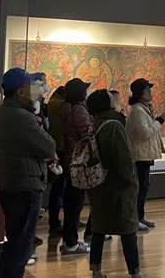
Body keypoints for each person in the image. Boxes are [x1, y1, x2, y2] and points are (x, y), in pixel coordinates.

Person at [0, 68, 57, 278]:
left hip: (12, 183)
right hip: (25, 186)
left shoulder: (5, 112)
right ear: (20, 92)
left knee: (14, 244)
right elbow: (49, 146)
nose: (36, 91)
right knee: (21, 247)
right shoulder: (22, 117)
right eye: (31, 87)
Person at [86, 89, 143, 278]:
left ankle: (96, 270)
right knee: (127, 230)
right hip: (118, 187)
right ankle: (135, 273)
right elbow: (123, 160)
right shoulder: (114, 126)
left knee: (99, 229)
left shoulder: (96, 124)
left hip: (99, 184)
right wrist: (132, 180)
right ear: (107, 105)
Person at [124, 79, 165, 232]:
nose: (150, 93)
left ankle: (140, 216)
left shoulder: (143, 108)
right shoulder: (137, 111)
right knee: (139, 188)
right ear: (141, 92)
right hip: (139, 156)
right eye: (147, 89)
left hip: (144, 155)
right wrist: (159, 121)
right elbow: (145, 133)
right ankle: (135, 219)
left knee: (144, 187)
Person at [60, 78, 93, 255]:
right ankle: (71, 242)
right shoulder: (79, 109)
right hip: (79, 159)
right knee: (75, 202)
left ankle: (69, 239)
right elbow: (87, 133)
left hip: (69, 157)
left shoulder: (66, 107)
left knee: (71, 201)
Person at [47, 86, 67, 236]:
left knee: (61, 189)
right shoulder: (59, 104)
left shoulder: (55, 102)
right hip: (61, 149)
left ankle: (60, 221)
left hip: (61, 147)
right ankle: (54, 223)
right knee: (59, 189)